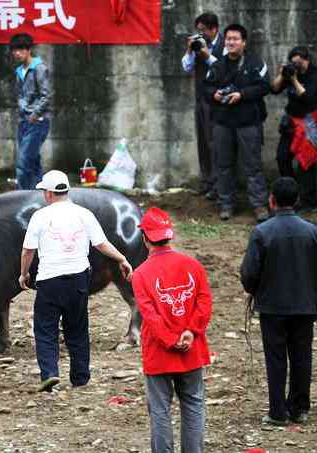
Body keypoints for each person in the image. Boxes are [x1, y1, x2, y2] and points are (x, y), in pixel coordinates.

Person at [19, 170, 132, 392]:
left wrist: (24, 273)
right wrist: (122, 258)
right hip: (79, 280)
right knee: (78, 328)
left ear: (49, 193)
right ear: (66, 191)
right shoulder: (84, 214)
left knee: (45, 329)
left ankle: (50, 374)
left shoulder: (40, 217)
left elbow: (27, 251)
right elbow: (101, 244)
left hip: (49, 281)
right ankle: (80, 377)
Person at [131, 207, 212, 453]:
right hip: (191, 350)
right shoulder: (193, 265)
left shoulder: (141, 274)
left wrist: (169, 339)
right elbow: (204, 302)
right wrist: (190, 332)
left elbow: (150, 316)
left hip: (158, 353)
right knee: (193, 405)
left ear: (145, 238)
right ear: (170, 235)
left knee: (159, 411)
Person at [240, 177, 317, 426]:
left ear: (272, 200)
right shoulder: (312, 232)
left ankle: (277, 412)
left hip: (272, 307)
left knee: (276, 358)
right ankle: (300, 408)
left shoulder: (262, 232)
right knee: (302, 355)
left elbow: (249, 272)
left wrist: (252, 290)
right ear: (296, 201)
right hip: (305, 306)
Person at [204, 23, 270, 222]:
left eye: (235, 39)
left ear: (244, 42)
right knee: (223, 165)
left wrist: (242, 94)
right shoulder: (217, 65)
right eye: (228, 39)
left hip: (248, 122)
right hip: (222, 123)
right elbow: (205, 88)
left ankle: (259, 205)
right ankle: (226, 204)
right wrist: (213, 94)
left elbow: (265, 86)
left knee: (253, 166)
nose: (231, 42)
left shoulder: (255, 63)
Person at [181, 13, 225, 200]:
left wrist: (207, 56)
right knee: (203, 144)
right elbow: (186, 67)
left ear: (213, 29)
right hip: (201, 99)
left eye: (203, 31)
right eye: (198, 31)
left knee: (215, 144)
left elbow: (224, 68)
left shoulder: (225, 45)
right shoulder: (198, 46)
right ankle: (207, 182)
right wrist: (190, 50)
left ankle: (218, 185)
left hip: (218, 102)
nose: (201, 35)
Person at [270, 46, 317, 211]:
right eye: (293, 63)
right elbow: (274, 89)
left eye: (299, 63)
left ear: (307, 60)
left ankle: (308, 201)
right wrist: (283, 75)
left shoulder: (313, 74)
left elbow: (309, 99)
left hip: (309, 124)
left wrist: (295, 80)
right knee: (282, 158)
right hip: (291, 123)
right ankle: (291, 195)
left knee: (306, 164)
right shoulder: (290, 73)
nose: (296, 66)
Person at [9, 33, 51, 191]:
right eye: (14, 50)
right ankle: (40, 194)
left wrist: (34, 114)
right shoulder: (19, 71)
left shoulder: (39, 68)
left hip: (37, 122)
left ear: (28, 50)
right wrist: (23, 111)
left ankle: (22, 196)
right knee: (33, 162)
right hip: (24, 121)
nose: (16, 53)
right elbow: (19, 95)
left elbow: (46, 95)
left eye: (19, 50)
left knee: (23, 162)